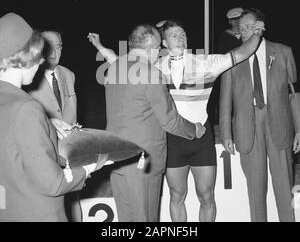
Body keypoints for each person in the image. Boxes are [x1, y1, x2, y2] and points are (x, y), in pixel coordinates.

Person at [88, 18, 264, 222]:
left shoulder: (207, 63)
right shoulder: (155, 67)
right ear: (162, 44)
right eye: (174, 35)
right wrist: (100, 46)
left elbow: (240, 54)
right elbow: (118, 61)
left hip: (200, 138)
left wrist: (256, 35)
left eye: (183, 35)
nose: (180, 38)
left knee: (206, 195)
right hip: (172, 138)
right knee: (176, 196)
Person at [95, 24, 205, 222]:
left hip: (117, 159)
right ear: (151, 49)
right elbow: (170, 121)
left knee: (126, 220)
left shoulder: (114, 68)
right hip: (143, 161)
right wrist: (195, 129)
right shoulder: (151, 73)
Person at [0, 13, 100, 222]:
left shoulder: (10, 102)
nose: (42, 60)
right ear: (23, 56)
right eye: (37, 54)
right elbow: (53, 184)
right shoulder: (26, 108)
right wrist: (93, 165)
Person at [219, 8, 300, 222]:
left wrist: (299, 128)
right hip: (248, 128)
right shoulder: (232, 58)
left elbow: (293, 95)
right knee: (256, 192)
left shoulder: (283, 52)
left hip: (280, 126)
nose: (244, 31)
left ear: (260, 28)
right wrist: (226, 133)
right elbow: (225, 99)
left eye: (249, 26)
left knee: (284, 188)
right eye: (241, 27)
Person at [27, 31, 81, 222]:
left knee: (74, 201)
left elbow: (70, 111)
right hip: (45, 154)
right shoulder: (29, 78)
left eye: (57, 46)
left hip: (70, 152)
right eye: (48, 46)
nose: (53, 51)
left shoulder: (68, 74)